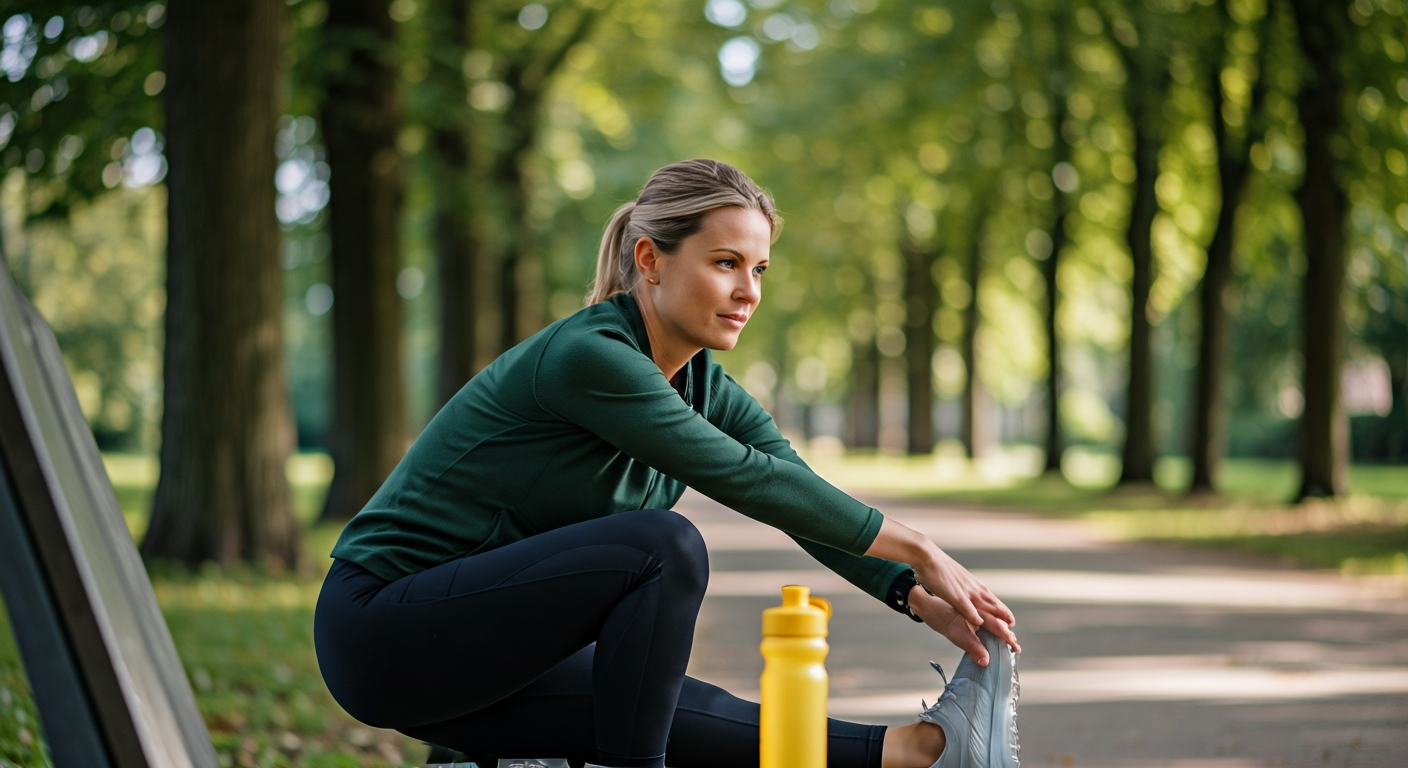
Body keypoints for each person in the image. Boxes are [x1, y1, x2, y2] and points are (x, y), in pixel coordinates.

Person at [314, 159, 1021, 768]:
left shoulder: (701, 384)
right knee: (663, 546)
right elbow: (747, 480)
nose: (749, 291)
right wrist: (920, 548)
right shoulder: (590, 357)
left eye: (759, 269)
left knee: (656, 697)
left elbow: (792, 489)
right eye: (726, 263)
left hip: (487, 646)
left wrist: (911, 593)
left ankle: (922, 752)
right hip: (385, 632)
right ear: (650, 260)